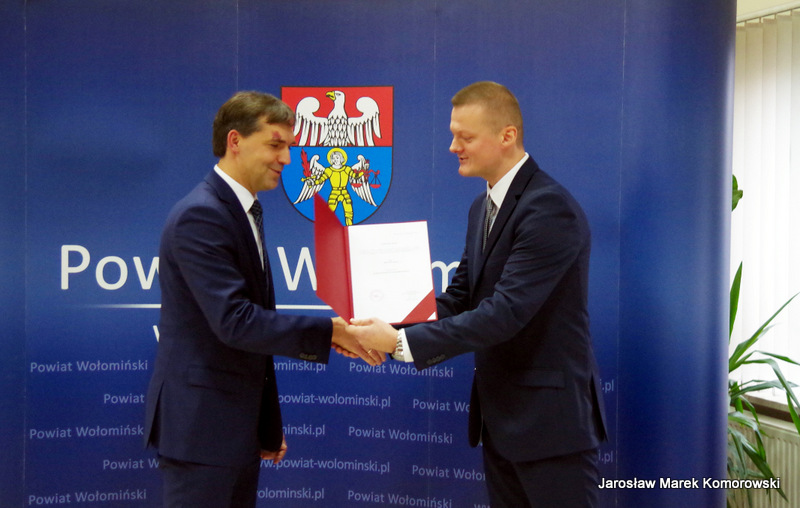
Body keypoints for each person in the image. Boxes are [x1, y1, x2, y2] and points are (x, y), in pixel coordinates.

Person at [349, 81, 607, 507]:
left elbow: (504, 314)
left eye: (465, 137)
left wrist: (398, 343)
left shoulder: (548, 208)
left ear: (507, 135)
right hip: (501, 425)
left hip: (551, 429)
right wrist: (381, 325)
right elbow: (459, 299)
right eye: (454, 135)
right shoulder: (481, 208)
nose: (453, 147)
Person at [143, 91, 382, 508]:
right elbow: (236, 322)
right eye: (275, 144)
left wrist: (265, 426)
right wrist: (332, 331)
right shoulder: (202, 215)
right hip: (202, 432)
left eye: (288, 146)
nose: (287, 158)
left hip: (233, 431)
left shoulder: (243, 210)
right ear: (235, 141)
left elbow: (251, 342)